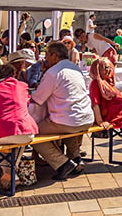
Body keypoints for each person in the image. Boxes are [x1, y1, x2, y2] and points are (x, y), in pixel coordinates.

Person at [31, 42, 95, 180]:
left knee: (31, 133)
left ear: (54, 56)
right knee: (68, 123)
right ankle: (75, 157)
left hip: (69, 120)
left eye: (47, 56)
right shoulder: (75, 68)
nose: (45, 59)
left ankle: (62, 163)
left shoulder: (53, 72)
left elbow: (37, 99)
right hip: (87, 117)